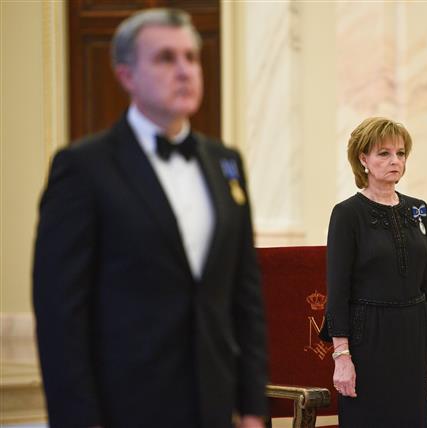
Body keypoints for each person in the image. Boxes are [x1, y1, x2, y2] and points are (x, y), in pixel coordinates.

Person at [32, 9, 266, 428]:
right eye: (165, 58)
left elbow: (244, 294)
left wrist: (252, 409)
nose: (184, 71)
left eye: (191, 57)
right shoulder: (83, 168)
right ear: (126, 75)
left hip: (213, 406)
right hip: (123, 408)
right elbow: (60, 314)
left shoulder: (225, 162)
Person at [320, 117, 427, 427]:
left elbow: (426, 282)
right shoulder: (347, 214)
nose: (395, 161)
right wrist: (342, 357)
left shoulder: (419, 210)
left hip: (413, 336)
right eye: (384, 153)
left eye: (400, 153)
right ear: (363, 159)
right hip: (368, 337)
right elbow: (338, 290)